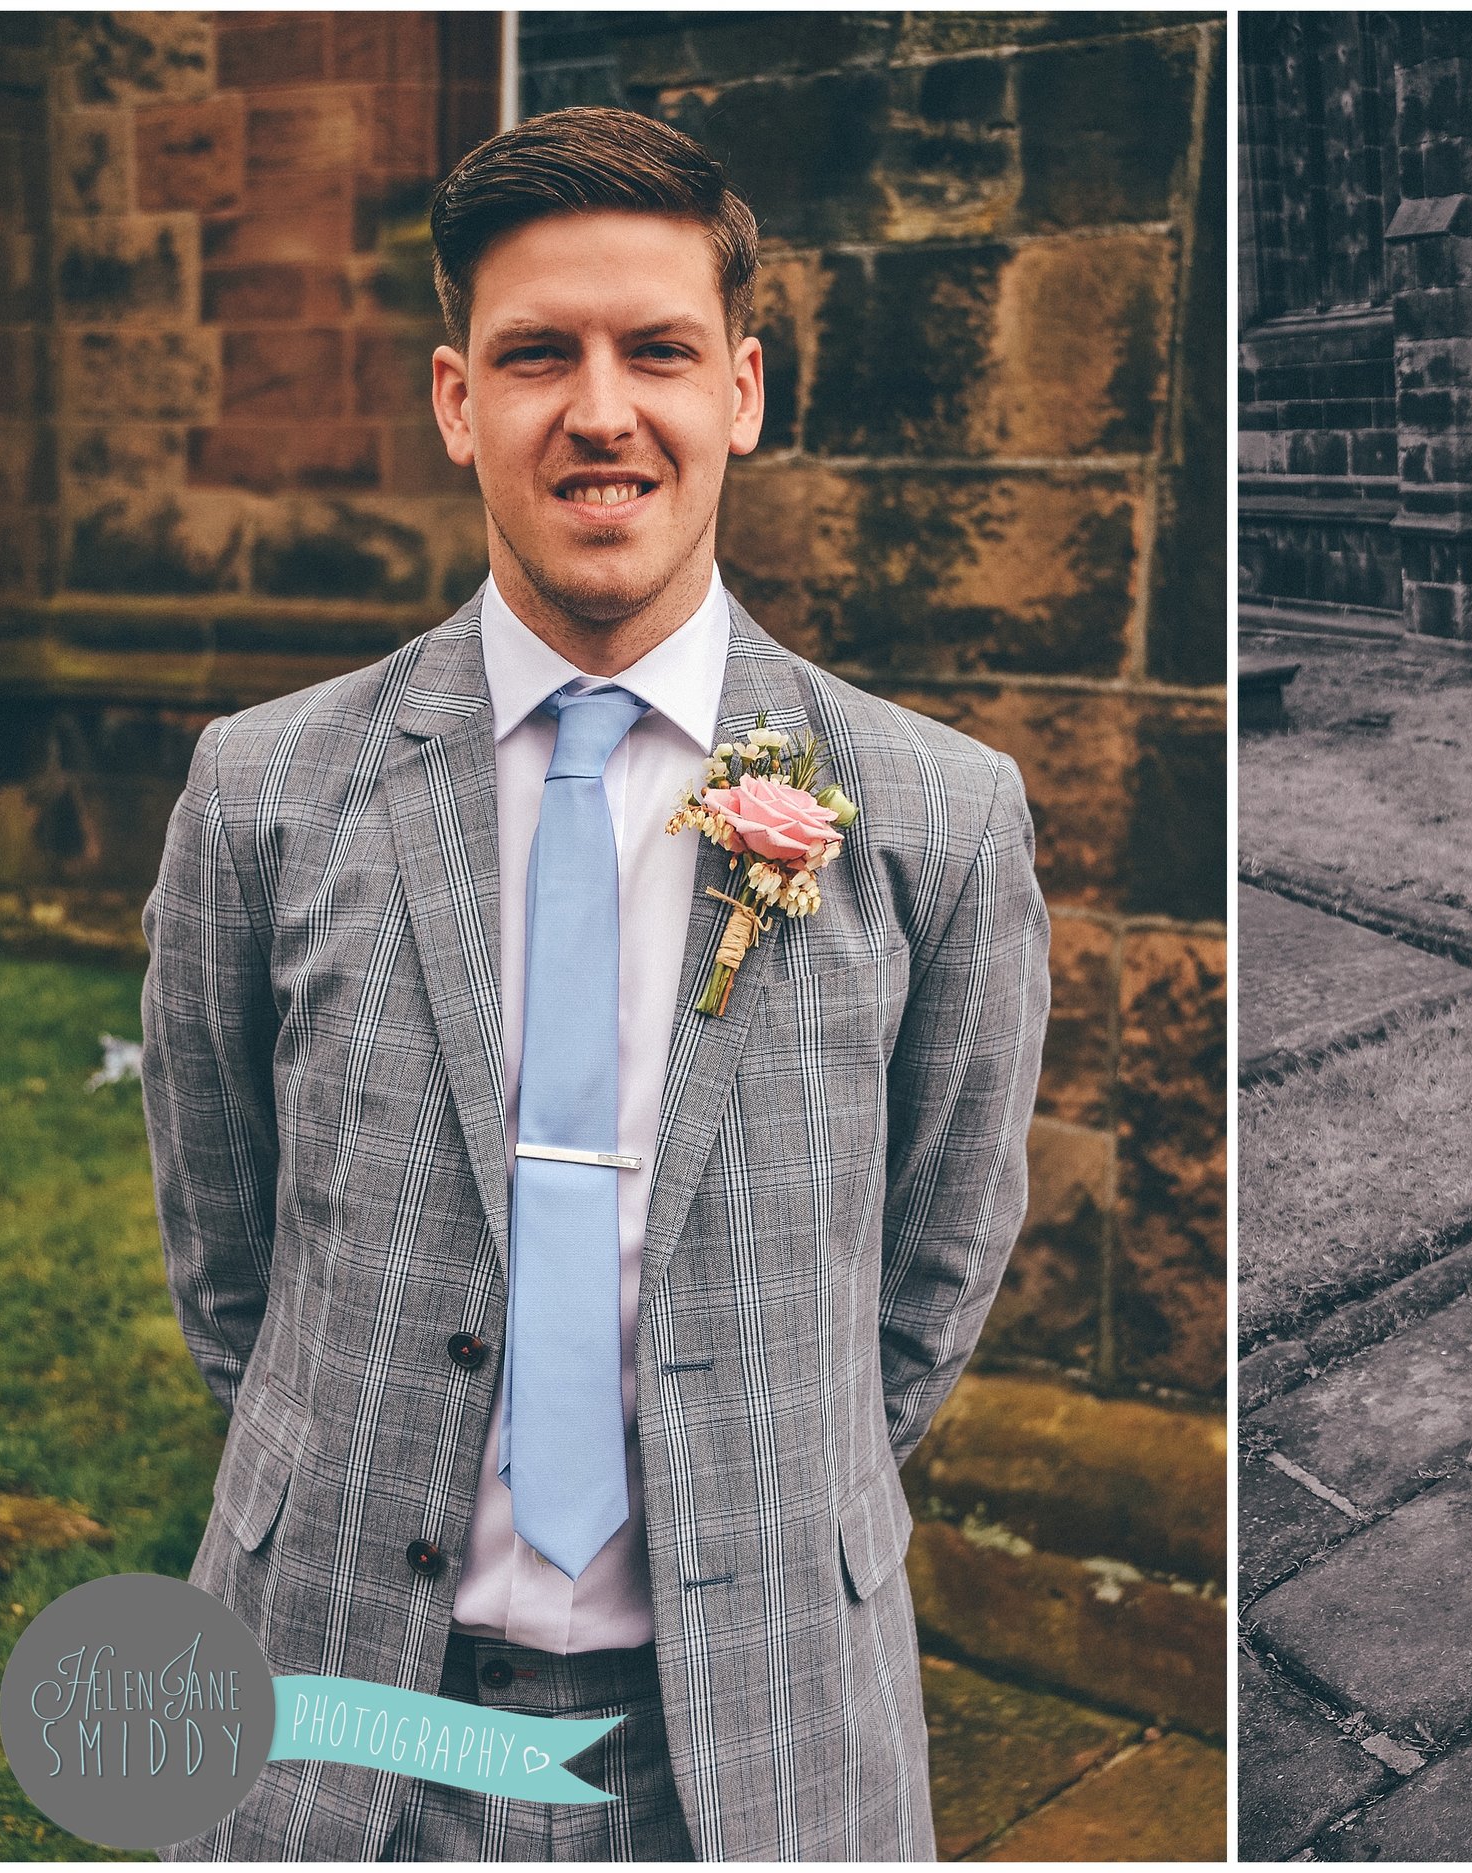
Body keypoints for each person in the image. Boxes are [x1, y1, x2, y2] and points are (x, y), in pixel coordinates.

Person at [143, 106, 1049, 1860]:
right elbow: (227, 1254)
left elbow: (935, 1264)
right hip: (334, 1710)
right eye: (536, 354)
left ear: (746, 393)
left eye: (659, 352)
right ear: (456, 399)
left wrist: (771, 1482)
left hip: (756, 1727)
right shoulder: (260, 790)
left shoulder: (939, 812)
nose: (602, 410)